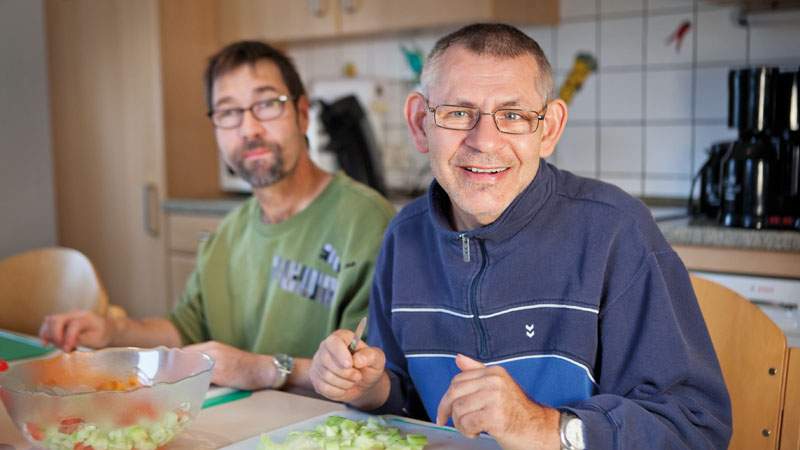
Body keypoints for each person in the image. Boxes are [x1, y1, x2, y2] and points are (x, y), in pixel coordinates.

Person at [309, 23, 732, 450]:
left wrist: (545, 427)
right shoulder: (405, 236)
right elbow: (407, 396)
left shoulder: (615, 231)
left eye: (513, 116)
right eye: (458, 113)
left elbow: (694, 428)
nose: (485, 142)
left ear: (548, 129)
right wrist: (368, 385)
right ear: (421, 124)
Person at [39, 40, 395, 392]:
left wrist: (262, 369)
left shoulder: (365, 222)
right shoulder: (228, 233)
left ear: (302, 114)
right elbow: (184, 330)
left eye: (267, 104)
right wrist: (111, 332)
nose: (249, 129)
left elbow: (366, 375)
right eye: (228, 112)